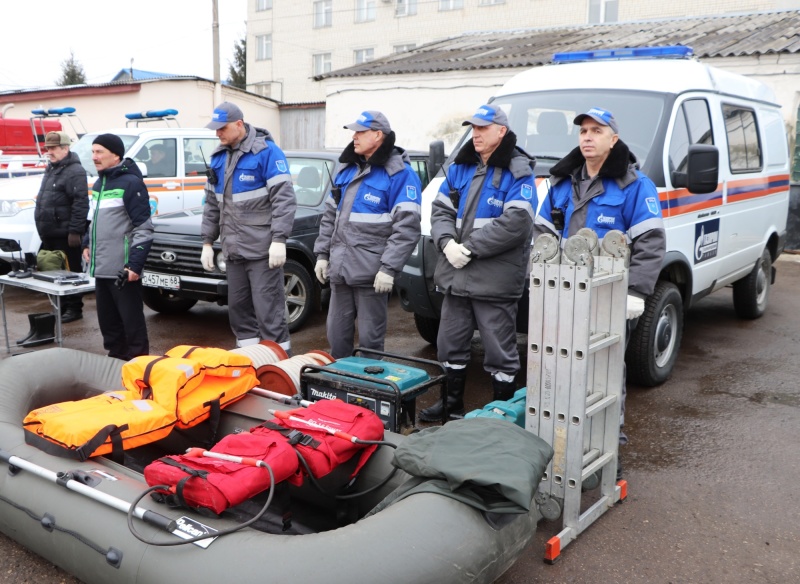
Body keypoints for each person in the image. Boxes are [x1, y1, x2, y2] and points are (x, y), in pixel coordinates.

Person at [532, 106, 666, 479]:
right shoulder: (561, 182)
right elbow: (541, 234)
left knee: (604, 377)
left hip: (608, 299)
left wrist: (636, 291)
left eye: (596, 130)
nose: (587, 136)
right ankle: (562, 444)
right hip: (562, 294)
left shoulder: (636, 186)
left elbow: (652, 243)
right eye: (583, 131)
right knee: (557, 369)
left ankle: (609, 446)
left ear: (613, 138)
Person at [419, 104, 536, 422]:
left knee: (500, 353)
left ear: (501, 131)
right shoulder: (460, 167)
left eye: (483, 128)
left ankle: (502, 415)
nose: (476, 134)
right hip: (457, 277)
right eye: (473, 128)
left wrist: (467, 249)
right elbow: (440, 209)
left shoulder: (518, 171)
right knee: (449, 344)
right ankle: (451, 406)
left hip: (493, 281)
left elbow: (517, 223)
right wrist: (445, 242)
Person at [313, 111, 421, 359]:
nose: (354, 137)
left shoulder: (400, 175)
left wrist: (389, 268)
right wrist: (322, 254)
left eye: (360, 132)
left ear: (378, 135)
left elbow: (407, 227)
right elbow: (330, 215)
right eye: (354, 132)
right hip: (340, 272)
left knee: (371, 343)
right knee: (337, 338)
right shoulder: (347, 170)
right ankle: (339, 389)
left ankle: (366, 392)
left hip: (372, 275)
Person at [200, 102, 296, 352]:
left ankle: (280, 370)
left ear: (239, 125)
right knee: (240, 314)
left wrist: (279, 239)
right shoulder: (218, 158)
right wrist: (207, 242)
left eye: (222, 128)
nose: (217, 133)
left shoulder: (267, 153)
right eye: (216, 129)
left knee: (269, 314)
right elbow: (212, 204)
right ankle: (250, 364)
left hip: (262, 251)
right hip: (234, 252)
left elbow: (284, 200)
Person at [82, 133, 153, 360]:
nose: (94, 157)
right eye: (93, 151)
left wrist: (134, 266)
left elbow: (144, 228)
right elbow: (93, 220)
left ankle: (140, 371)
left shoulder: (131, 183)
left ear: (116, 155)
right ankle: (116, 368)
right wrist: (86, 243)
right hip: (101, 267)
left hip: (123, 271)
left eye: (99, 151)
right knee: (109, 327)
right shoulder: (99, 183)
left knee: (132, 326)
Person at [34, 131, 89, 323]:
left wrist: (75, 231)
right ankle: (62, 306)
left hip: (65, 233)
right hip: (51, 232)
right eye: (47, 148)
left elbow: (81, 202)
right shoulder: (52, 168)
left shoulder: (75, 171)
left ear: (65, 148)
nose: (49, 151)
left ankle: (74, 308)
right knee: (54, 272)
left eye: (53, 148)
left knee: (70, 271)